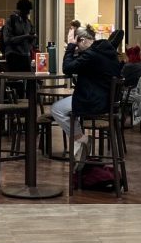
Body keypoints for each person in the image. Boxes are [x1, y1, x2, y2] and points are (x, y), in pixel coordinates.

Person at [51, 27, 121, 162]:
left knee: (57, 109)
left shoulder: (91, 55)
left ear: (82, 40)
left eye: (77, 46)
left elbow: (67, 68)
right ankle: (79, 142)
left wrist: (70, 46)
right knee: (68, 107)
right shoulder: (107, 51)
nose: (77, 50)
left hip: (93, 100)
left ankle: (80, 139)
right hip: (106, 100)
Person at [2, 0, 36, 73]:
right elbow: (7, 40)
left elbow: (31, 39)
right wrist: (26, 36)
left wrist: (32, 38)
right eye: (27, 11)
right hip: (13, 55)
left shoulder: (28, 22)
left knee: (28, 80)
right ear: (21, 10)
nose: (28, 13)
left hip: (25, 55)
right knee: (16, 81)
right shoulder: (11, 21)